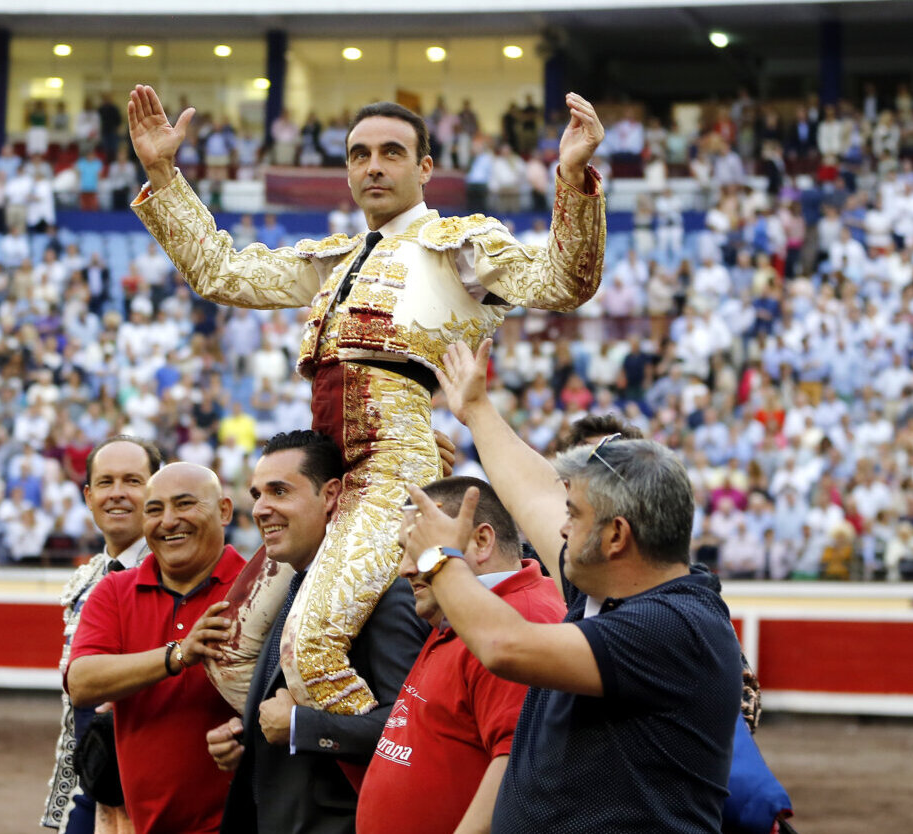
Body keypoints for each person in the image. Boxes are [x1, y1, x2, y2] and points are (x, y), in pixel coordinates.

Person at [129, 84, 605, 717]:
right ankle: (312, 770)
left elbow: (563, 281)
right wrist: (163, 171)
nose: (373, 165)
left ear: (425, 168)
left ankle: (393, 781)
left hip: (392, 470)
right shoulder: (336, 256)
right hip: (327, 473)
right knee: (231, 649)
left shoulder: (458, 245)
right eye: (359, 154)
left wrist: (573, 177)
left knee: (312, 651)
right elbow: (221, 273)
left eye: (391, 152)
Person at [403, 436, 743, 832]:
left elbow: (504, 646)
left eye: (574, 515)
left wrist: (439, 558)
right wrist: (476, 410)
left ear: (616, 536)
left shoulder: (671, 624)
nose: (562, 528)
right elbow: (532, 498)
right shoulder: (611, 593)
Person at [205, 431, 427, 834]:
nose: (260, 509)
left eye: (279, 491)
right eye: (257, 494)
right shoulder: (295, 588)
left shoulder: (382, 596)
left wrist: (299, 728)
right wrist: (249, 742)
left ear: (330, 496)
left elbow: (410, 727)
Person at [355, 476, 566, 834]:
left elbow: (519, 768)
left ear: (481, 541)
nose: (405, 568)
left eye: (422, 549)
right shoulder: (456, 612)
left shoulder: (522, 620)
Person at [67, 462, 245, 834]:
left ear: (224, 511)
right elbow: (81, 683)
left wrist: (247, 733)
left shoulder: (258, 588)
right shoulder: (114, 591)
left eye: (184, 504)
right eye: (154, 510)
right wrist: (178, 654)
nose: (168, 521)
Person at [41, 436, 161, 834]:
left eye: (132, 481)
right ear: (88, 496)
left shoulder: (177, 571)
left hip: (150, 780)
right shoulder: (86, 577)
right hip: (89, 775)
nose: (118, 494)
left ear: (157, 490)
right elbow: (74, 710)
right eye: (106, 483)